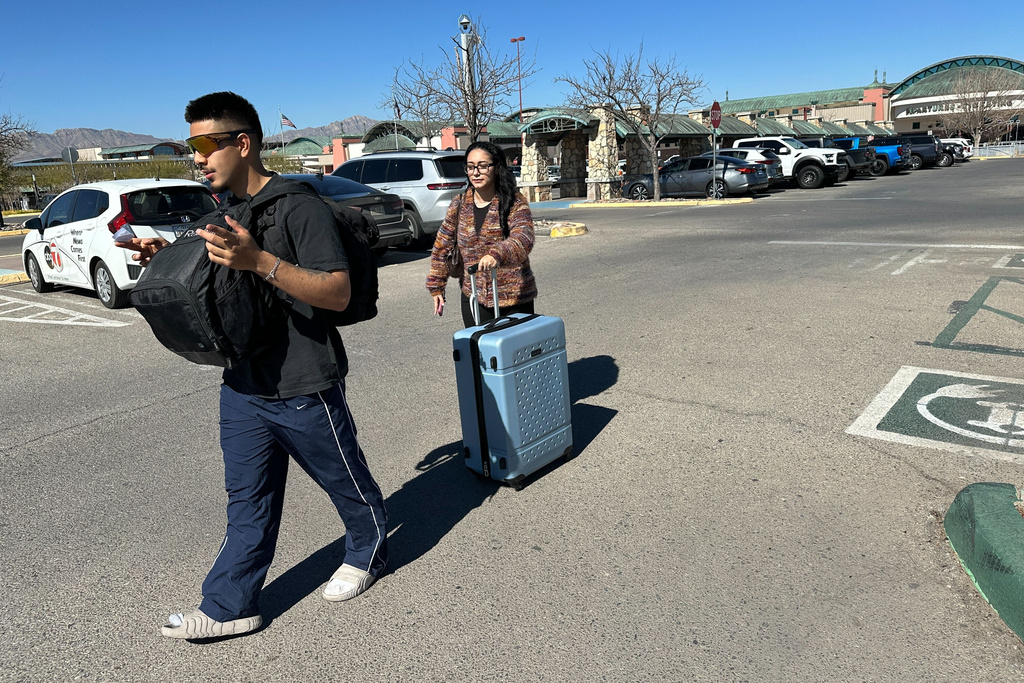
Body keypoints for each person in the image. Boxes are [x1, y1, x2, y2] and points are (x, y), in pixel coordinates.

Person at [118, 92, 387, 640]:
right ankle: (229, 604)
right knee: (247, 500)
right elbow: (216, 275)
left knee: (347, 484)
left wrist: (259, 261)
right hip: (242, 385)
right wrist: (165, 253)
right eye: (190, 145)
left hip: (303, 384)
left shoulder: (300, 207)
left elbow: (336, 292)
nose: (196, 156)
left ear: (243, 144)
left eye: (204, 144)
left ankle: (369, 547)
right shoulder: (228, 211)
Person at [426, 141, 536, 327]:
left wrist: (497, 254)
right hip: (474, 296)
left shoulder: (514, 202)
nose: (475, 172)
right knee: (479, 352)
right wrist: (437, 286)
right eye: (470, 167)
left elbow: (523, 236)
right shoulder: (459, 204)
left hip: (515, 298)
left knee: (513, 354)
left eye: (483, 166)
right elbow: (441, 246)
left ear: (496, 168)